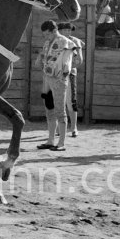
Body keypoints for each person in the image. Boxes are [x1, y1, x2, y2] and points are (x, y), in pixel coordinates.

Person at [36, 20, 77, 152]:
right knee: (49, 109)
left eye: (47, 34)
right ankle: (50, 140)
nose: (46, 37)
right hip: (47, 79)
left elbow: (69, 61)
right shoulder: (48, 42)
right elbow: (43, 59)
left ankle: (61, 142)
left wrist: (63, 72)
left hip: (59, 79)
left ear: (54, 31)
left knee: (60, 110)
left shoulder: (66, 42)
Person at [57, 22, 83, 137]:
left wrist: (66, 68)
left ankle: (73, 127)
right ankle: (60, 127)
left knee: (71, 101)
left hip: (69, 74)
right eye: (65, 30)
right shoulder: (56, 41)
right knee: (58, 101)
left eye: (69, 30)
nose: (68, 32)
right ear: (60, 30)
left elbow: (79, 60)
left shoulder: (75, 41)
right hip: (56, 75)